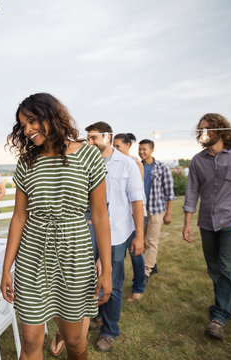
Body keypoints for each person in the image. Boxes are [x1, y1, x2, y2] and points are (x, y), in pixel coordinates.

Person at [1, 93, 112, 360]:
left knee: (74, 341)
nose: (27, 130)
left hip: (75, 252)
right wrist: (6, 268)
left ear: (51, 116)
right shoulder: (27, 161)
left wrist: (107, 269)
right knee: (30, 341)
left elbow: (99, 216)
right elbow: (19, 217)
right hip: (32, 253)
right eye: (23, 125)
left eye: (32, 121)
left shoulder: (87, 155)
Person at [182, 113, 231, 340]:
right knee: (214, 268)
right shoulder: (198, 160)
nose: (203, 132)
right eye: (201, 129)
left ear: (220, 130)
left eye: (208, 128)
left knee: (229, 268)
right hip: (207, 223)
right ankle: (228, 303)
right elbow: (191, 192)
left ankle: (219, 317)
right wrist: (187, 223)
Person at [86, 122, 144, 352]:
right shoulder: (86, 164)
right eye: (87, 139)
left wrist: (139, 235)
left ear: (107, 138)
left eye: (94, 138)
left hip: (118, 233)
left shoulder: (127, 164)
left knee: (114, 283)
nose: (90, 143)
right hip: (90, 231)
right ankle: (97, 315)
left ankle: (110, 331)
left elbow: (137, 201)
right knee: (92, 277)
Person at [112, 133, 146, 302]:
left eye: (118, 146)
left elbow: (135, 196)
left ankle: (139, 286)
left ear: (127, 145)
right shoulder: (112, 163)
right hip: (119, 218)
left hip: (134, 216)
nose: (115, 149)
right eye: (114, 146)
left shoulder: (134, 163)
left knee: (135, 253)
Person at [139, 139, 175, 283]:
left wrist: (169, 213)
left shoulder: (162, 167)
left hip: (156, 210)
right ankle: (152, 264)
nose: (141, 152)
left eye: (144, 149)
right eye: (140, 149)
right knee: (140, 242)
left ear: (152, 150)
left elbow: (169, 192)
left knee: (151, 241)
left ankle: (145, 272)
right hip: (140, 211)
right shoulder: (136, 166)